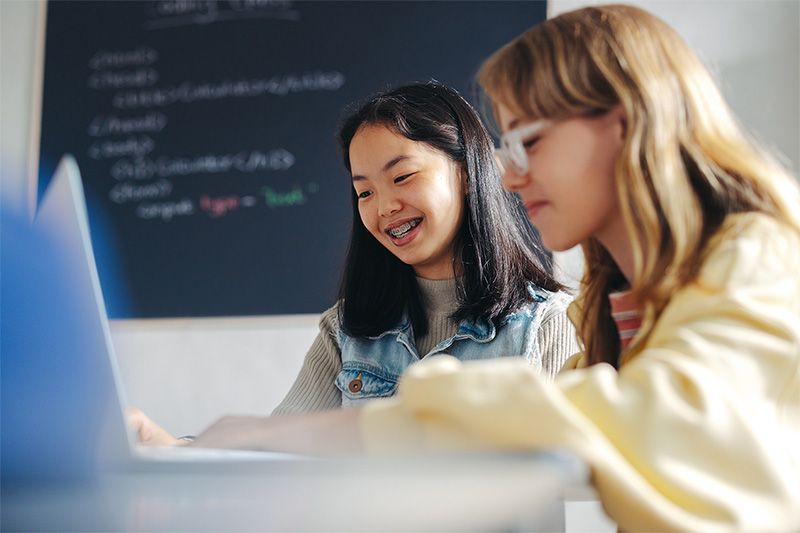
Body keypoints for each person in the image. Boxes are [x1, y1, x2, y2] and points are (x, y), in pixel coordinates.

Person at [134, 6, 800, 531]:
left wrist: (335, 426)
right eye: (363, 189)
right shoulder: (615, 298)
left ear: (627, 125)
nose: (510, 173)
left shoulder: (759, 252)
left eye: (529, 141)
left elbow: (657, 423)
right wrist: (193, 448)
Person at [130, 82, 578, 438]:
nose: (383, 208)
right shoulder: (345, 332)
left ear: (466, 173)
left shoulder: (547, 325)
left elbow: (573, 466)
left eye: (402, 176)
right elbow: (276, 449)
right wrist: (167, 448)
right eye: (365, 192)